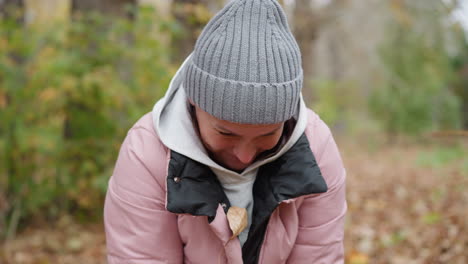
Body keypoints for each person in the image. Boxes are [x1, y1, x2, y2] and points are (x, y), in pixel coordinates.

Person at [104, 0, 347, 263]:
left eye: (267, 135)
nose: (244, 156)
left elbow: (319, 257)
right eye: (226, 133)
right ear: (194, 102)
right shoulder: (146, 154)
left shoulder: (316, 149)